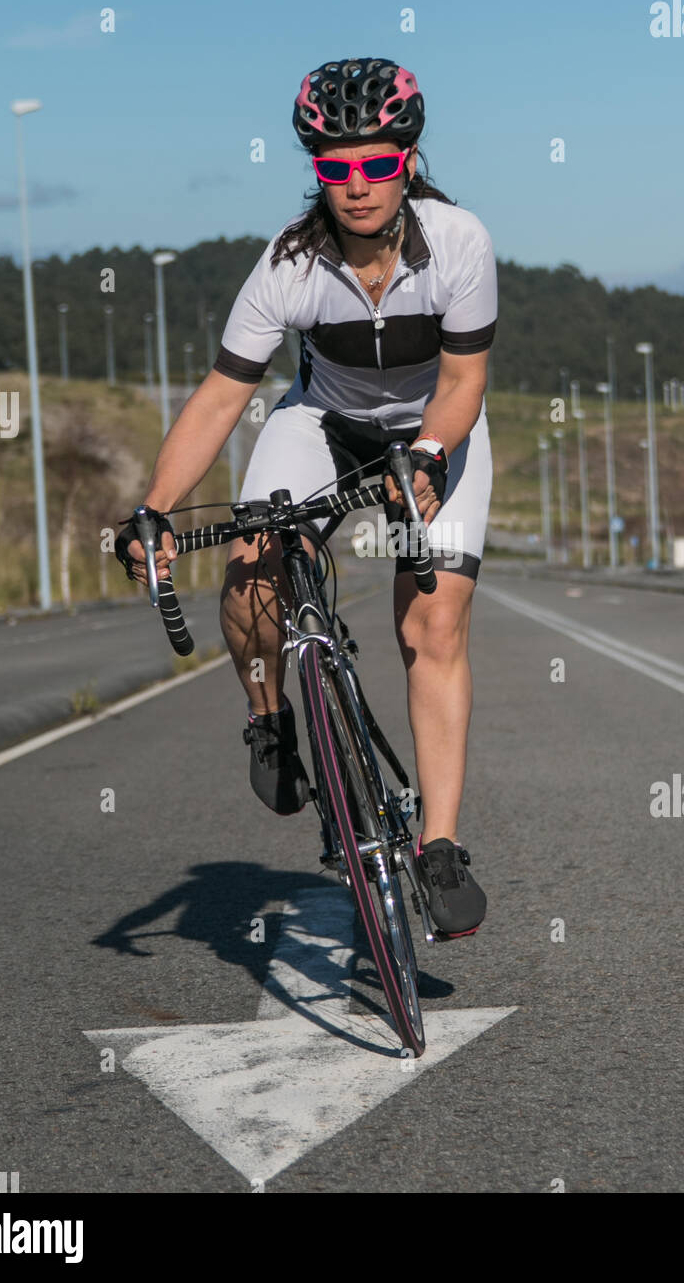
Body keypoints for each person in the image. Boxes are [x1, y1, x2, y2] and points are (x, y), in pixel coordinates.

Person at [115, 57, 497, 936]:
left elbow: (465, 379)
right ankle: (271, 718)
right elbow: (220, 396)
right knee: (254, 566)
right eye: (333, 167)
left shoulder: (459, 241)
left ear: (407, 157)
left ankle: (438, 846)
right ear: (313, 170)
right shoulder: (287, 264)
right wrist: (158, 506)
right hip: (321, 424)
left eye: (374, 163)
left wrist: (432, 456)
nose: (356, 186)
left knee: (430, 622)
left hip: (433, 429)